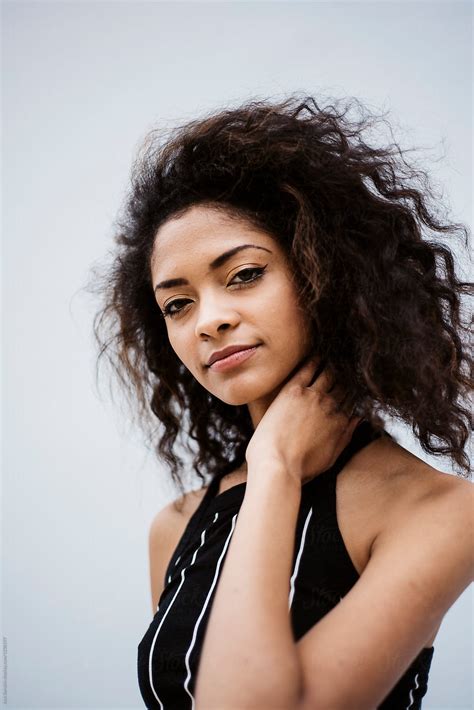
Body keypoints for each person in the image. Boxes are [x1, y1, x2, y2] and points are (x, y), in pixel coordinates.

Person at [91, 94, 473, 709]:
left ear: (325, 273)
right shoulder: (176, 526)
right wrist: (271, 465)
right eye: (178, 303)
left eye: (243, 274)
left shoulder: (440, 512)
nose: (209, 321)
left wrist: (274, 468)